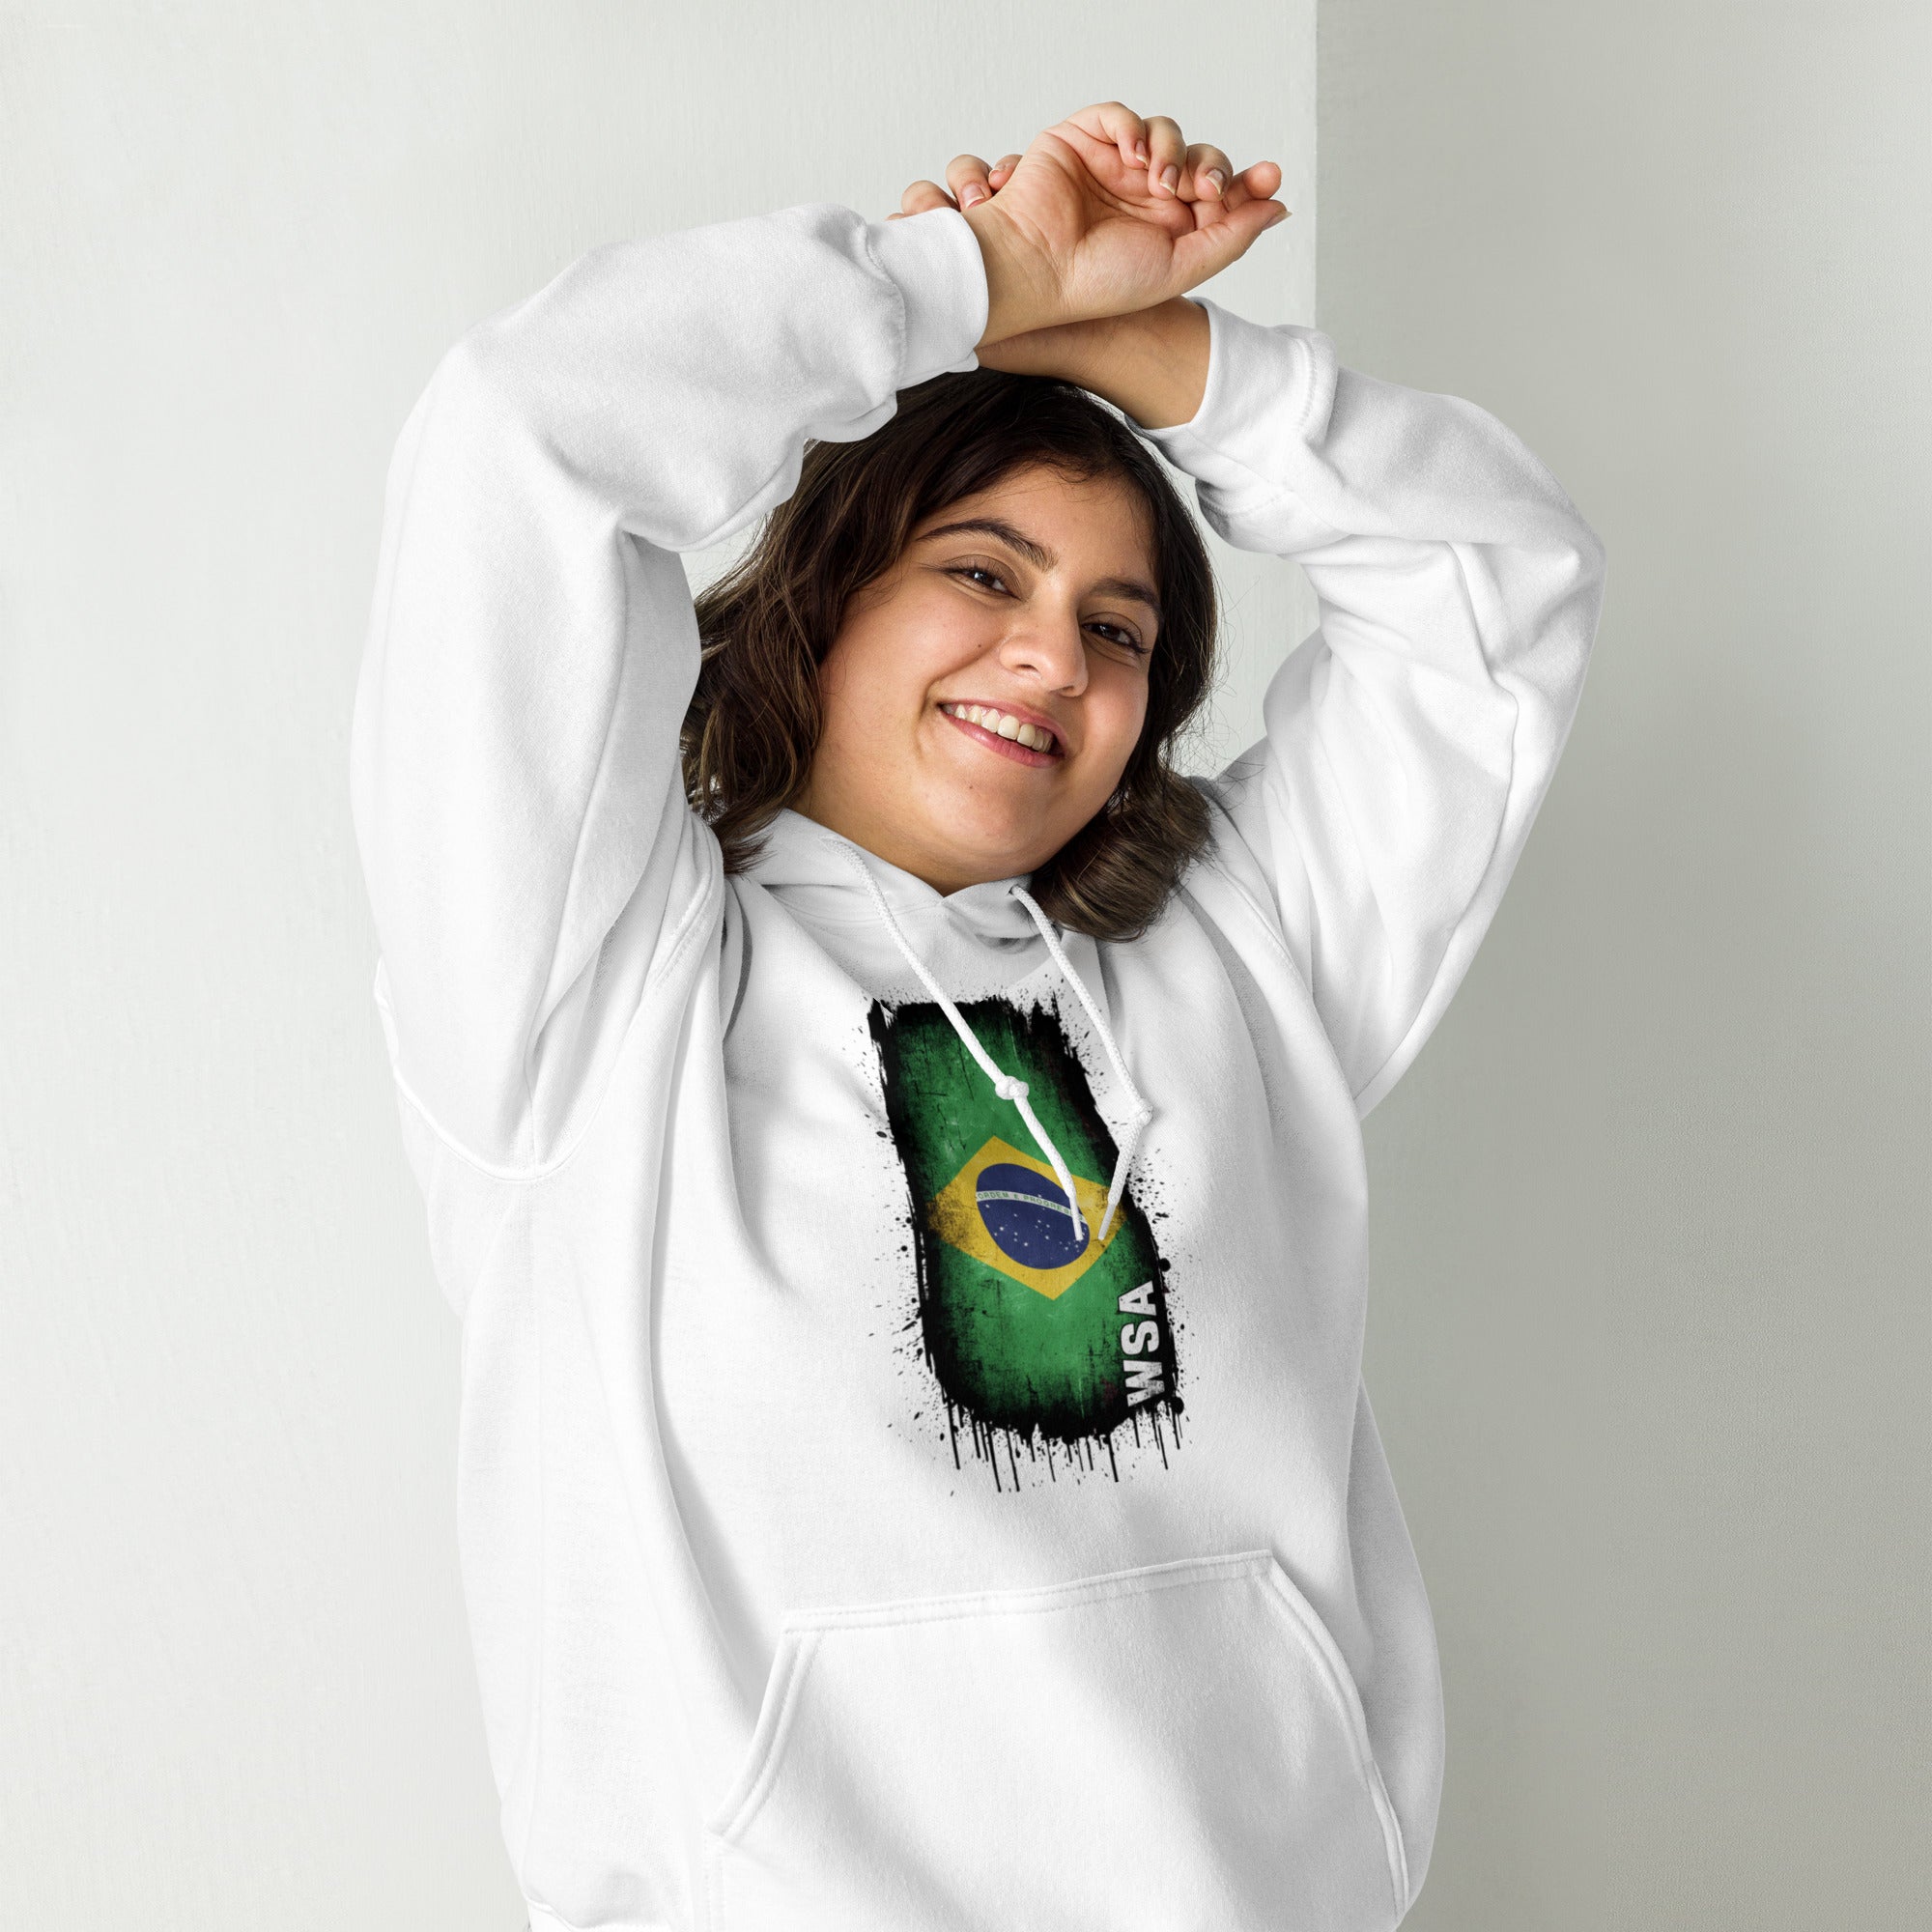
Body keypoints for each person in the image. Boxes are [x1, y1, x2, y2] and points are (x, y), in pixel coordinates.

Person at [352, 100, 1604, 1932]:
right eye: (982, 572)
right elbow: (524, 434)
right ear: (827, 604)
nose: (1053, 658)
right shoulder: (594, 1007)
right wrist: (968, 283)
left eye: (1121, 629)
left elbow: (1494, 586)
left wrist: (1143, 354)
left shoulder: (1242, 970)